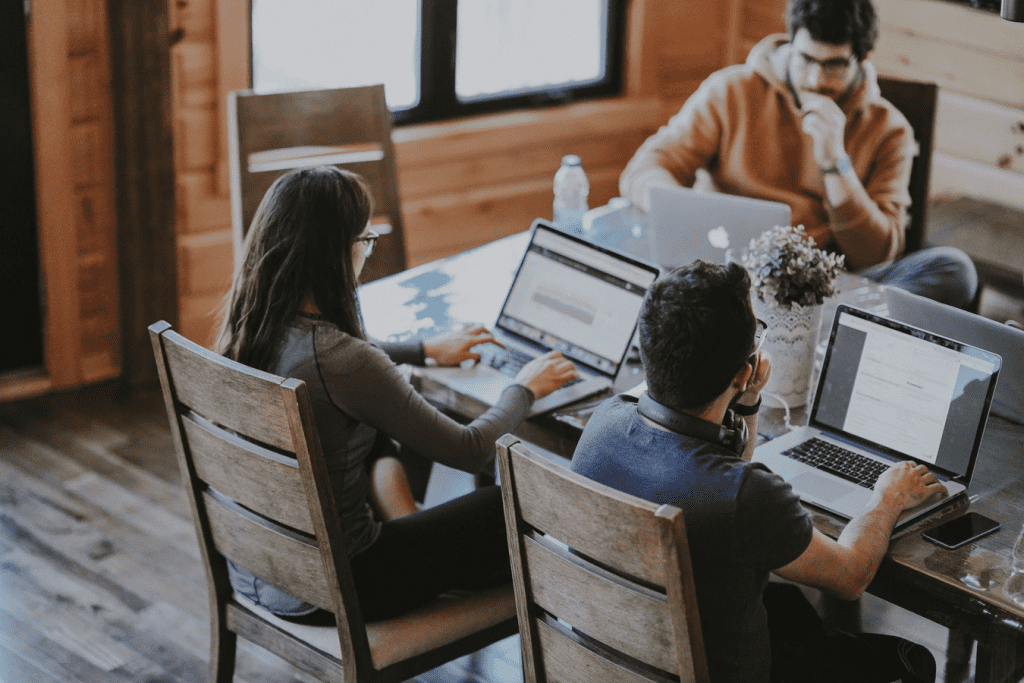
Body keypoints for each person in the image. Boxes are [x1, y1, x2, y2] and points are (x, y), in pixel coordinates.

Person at [215, 165, 579, 623]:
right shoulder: (342, 361)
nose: (368, 252)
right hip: (343, 584)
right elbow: (468, 450)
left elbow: (339, 364)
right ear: (336, 252)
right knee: (499, 504)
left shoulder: (252, 327)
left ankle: (411, 525)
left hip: (259, 568)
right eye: (365, 241)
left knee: (376, 426)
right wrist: (524, 387)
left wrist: (423, 350)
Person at [571, 260, 945, 683]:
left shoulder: (601, 424)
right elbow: (851, 575)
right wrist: (888, 497)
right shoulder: (746, 496)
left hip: (618, 658)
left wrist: (745, 403)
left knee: (791, 609)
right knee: (912, 660)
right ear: (742, 370)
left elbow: (723, 481)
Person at [620, 0, 978, 310]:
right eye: (805, 58)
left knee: (954, 270)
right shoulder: (731, 90)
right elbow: (645, 168)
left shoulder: (890, 130)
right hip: (727, 270)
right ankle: (813, 331)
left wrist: (835, 163)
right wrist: (688, 215)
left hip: (825, 287)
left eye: (834, 65)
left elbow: (877, 254)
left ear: (863, 57)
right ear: (791, 41)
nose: (815, 79)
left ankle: (819, 329)